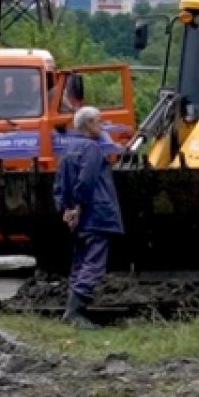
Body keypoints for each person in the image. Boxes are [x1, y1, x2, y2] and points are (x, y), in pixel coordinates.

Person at [52, 105, 124, 329]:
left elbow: (60, 184)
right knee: (93, 264)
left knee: (80, 262)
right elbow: (87, 180)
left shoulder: (68, 149)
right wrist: (79, 207)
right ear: (89, 124)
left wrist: (66, 208)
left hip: (80, 221)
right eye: (100, 122)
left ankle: (71, 311)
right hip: (97, 215)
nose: (102, 126)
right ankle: (74, 313)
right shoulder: (92, 149)